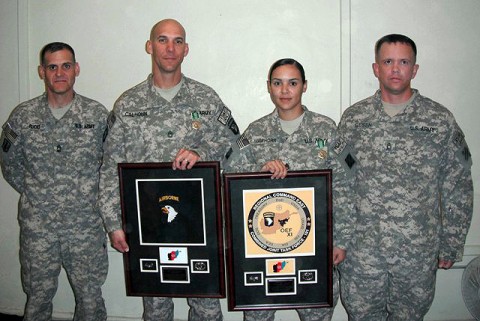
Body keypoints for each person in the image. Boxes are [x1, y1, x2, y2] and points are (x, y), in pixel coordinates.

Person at [97, 19, 239, 321]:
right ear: (150, 46)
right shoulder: (127, 104)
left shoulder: (207, 100)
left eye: (177, 41)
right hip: (149, 224)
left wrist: (202, 152)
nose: (170, 48)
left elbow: (236, 149)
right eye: (162, 40)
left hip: (200, 225)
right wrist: (113, 222)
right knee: (156, 308)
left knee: (206, 307)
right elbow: (110, 166)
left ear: (186, 49)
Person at [334, 34, 473, 320]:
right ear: (376, 68)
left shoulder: (439, 119)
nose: (395, 69)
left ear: (414, 69)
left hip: (417, 253)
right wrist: (339, 239)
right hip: (363, 253)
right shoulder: (354, 119)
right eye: (388, 62)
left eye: (403, 62)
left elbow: (458, 185)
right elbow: (340, 184)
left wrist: (452, 243)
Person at [225, 58, 344, 321]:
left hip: (314, 245)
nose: (285, 90)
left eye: (293, 83)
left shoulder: (326, 129)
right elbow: (228, 176)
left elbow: (345, 187)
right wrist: (259, 169)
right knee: (257, 314)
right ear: (269, 87)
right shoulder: (255, 132)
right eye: (277, 83)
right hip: (263, 246)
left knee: (317, 312)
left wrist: (341, 240)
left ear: (305, 86)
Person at [0, 42, 109, 321]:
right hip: (39, 228)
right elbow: (9, 164)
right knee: (37, 298)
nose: (60, 73)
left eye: (66, 66)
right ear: (42, 71)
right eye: (52, 67)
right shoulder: (23, 117)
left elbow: (110, 166)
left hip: (85, 226)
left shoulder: (96, 115)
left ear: (76, 69)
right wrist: (38, 195)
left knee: (90, 300)